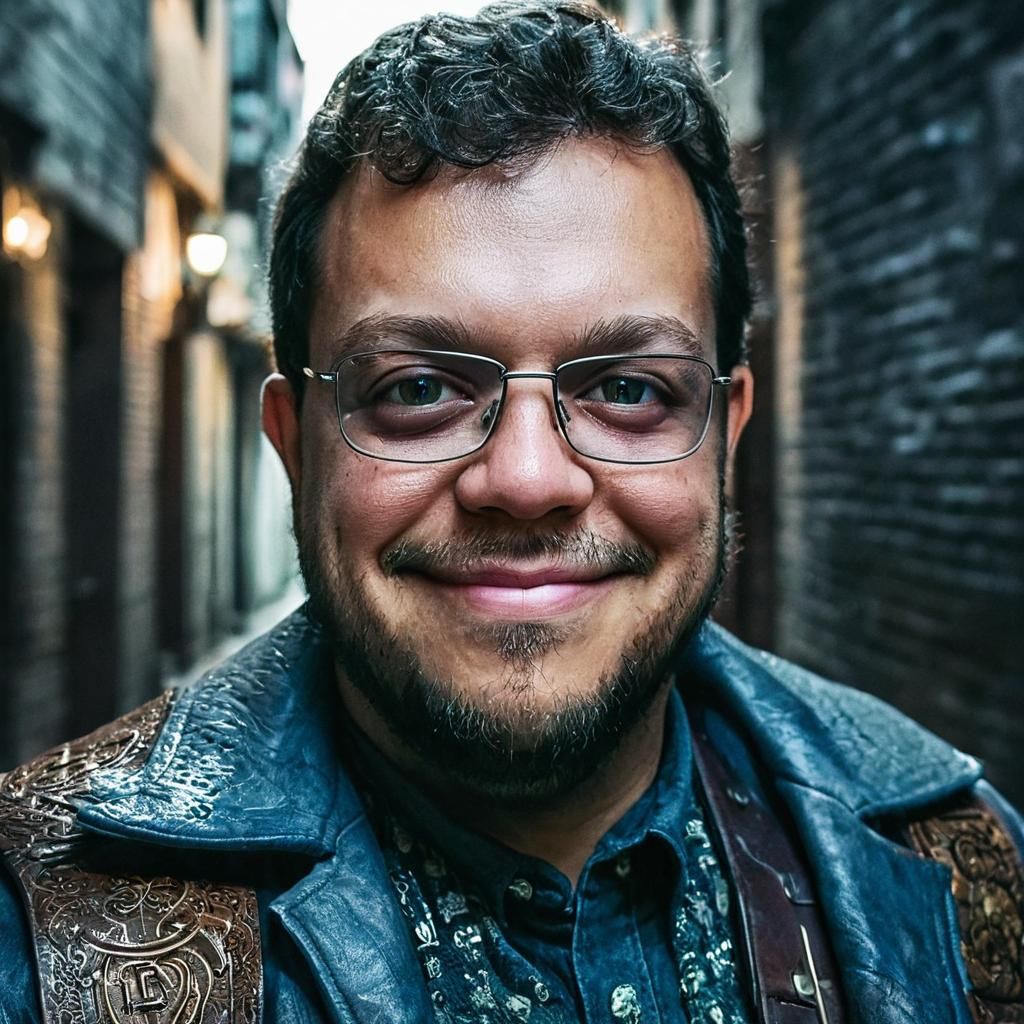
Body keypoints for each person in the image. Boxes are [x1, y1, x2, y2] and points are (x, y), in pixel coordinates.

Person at [2, 3, 1022, 1022]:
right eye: (415, 389)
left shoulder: (955, 859)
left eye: (627, 389)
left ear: (725, 436)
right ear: (293, 442)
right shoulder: (37, 935)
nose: (528, 478)